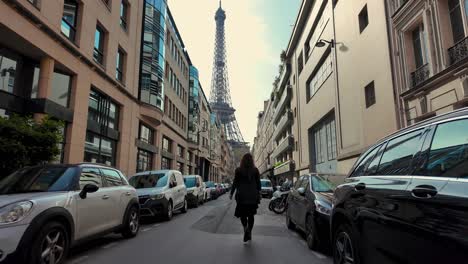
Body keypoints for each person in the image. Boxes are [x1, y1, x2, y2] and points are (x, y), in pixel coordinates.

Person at [229, 153, 261, 242]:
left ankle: (245, 228)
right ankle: (249, 231)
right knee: (251, 215)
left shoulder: (238, 170)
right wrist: (259, 193)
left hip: (241, 196)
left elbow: (235, 183)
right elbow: (258, 184)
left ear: (242, 161)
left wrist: (231, 193)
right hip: (252, 196)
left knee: (243, 215)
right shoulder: (255, 170)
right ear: (252, 161)